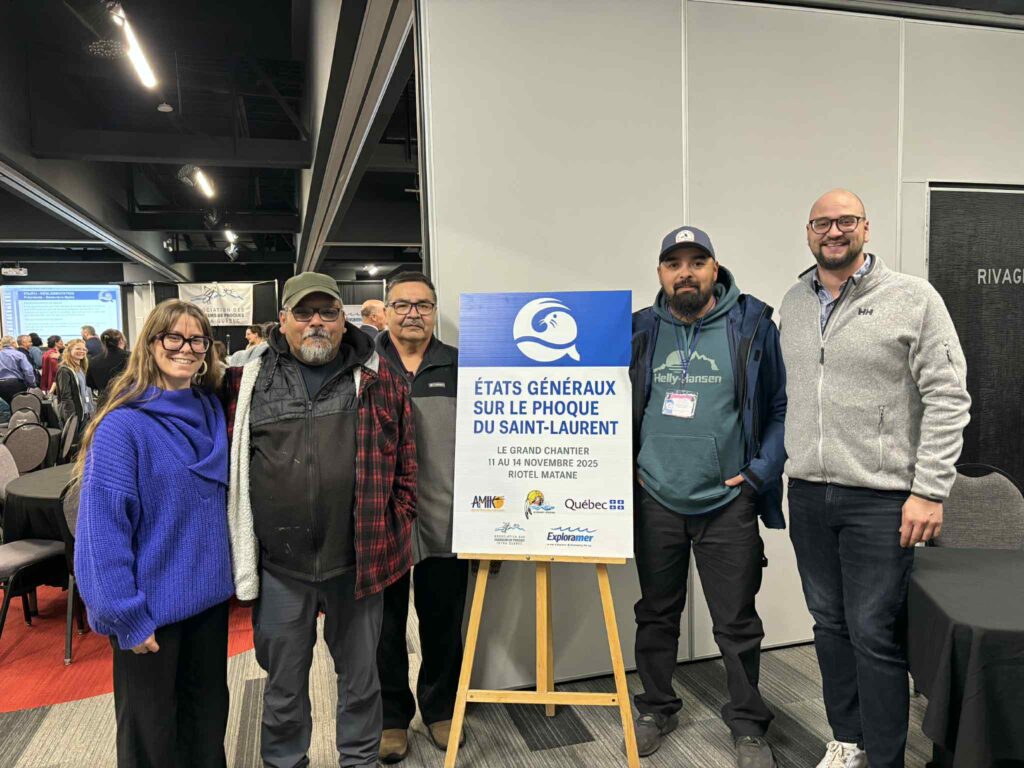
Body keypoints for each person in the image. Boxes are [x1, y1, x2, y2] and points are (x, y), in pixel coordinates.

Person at [780, 189, 971, 768]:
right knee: (828, 624)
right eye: (821, 223)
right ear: (807, 232)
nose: (833, 232)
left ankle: (886, 757)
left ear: (866, 228)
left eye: (846, 220)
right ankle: (849, 740)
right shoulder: (793, 302)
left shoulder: (913, 298)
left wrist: (929, 489)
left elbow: (948, 397)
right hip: (808, 493)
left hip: (882, 499)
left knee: (873, 630)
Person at [224, 271, 417, 768]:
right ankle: (285, 761)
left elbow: (407, 463)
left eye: (328, 312)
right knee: (284, 685)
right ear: (283, 319)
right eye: (304, 312)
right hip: (281, 567)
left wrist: (394, 523)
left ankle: (359, 760)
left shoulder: (380, 379)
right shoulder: (250, 381)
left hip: (357, 564)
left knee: (362, 682)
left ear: (342, 320)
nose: (316, 322)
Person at [629, 226, 786, 767]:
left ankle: (748, 725)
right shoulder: (640, 329)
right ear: (660, 273)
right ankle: (655, 707)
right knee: (656, 612)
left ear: (714, 269)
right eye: (674, 264)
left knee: (736, 621)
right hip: (656, 496)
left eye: (697, 262)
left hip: (727, 502)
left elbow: (781, 406)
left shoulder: (752, 324)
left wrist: (760, 473)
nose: (686, 273)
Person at [74, 300, 232, 768]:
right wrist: (124, 614)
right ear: (150, 343)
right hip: (149, 613)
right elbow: (101, 532)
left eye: (197, 339)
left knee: (206, 730)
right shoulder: (123, 426)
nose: (186, 348)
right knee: (152, 740)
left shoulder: (211, 410)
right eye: (173, 337)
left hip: (208, 605)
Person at [375, 273, 465, 763]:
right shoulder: (364, 365)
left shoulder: (460, 366)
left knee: (443, 619)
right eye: (403, 304)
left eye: (424, 305)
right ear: (386, 310)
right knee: (384, 625)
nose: (413, 313)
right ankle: (391, 716)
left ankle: (441, 707)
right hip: (381, 517)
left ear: (434, 311)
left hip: (445, 514)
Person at [55, 339, 96, 433]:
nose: (82, 351)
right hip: (75, 414)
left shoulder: (82, 368)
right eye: (78, 349)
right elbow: (66, 396)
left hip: (86, 412)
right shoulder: (64, 370)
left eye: (84, 349)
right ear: (69, 350)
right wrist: (72, 418)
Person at [87, 328, 130, 401]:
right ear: (121, 341)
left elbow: (90, 383)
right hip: (127, 399)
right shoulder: (131, 357)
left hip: (105, 401)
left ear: (103, 342)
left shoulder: (94, 360)